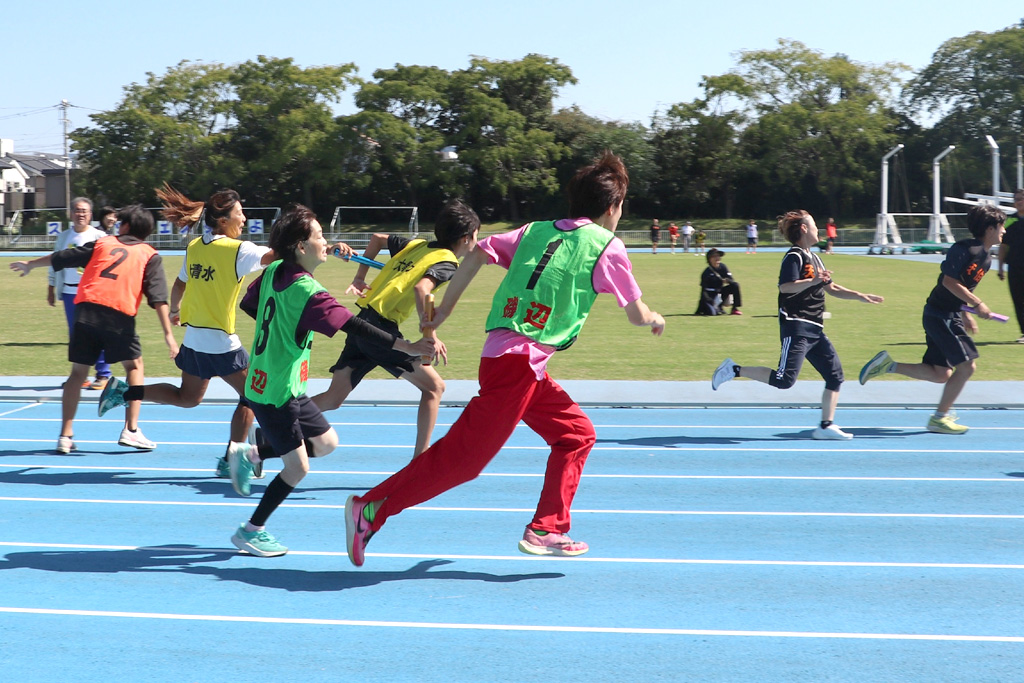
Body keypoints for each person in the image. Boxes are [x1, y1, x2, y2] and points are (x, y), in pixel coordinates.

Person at [343, 151, 666, 567]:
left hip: (514, 362)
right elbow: (637, 315)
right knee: (462, 462)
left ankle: (548, 528)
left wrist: (444, 312)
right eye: (621, 206)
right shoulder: (607, 246)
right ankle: (370, 509)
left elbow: (477, 253)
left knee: (576, 435)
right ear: (612, 207)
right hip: (518, 367)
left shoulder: (534, 230)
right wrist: (655, 318)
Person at [224, 204, 434, 557]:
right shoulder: (309, 294)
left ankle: (251, 452)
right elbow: (358, 327)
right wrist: (407, 345)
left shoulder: (275, 270)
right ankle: (251, 530)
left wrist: (279, 328)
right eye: (320, 236)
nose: (327, 241)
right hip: (276, 390)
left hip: (276, 381)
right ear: (301, 248)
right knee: (297, 468)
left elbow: (250, 303)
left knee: (326, 442)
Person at [97, 185, 276, 478]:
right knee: (255, 396)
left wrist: (177, 310)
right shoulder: (239, 250)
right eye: (239, 214)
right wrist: (309, 238)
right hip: (221, 342)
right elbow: (276, 256)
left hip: (194, 341)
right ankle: (234, 457)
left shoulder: (195, 247)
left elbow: (180, 283)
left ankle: (125, 392)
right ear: (223, 220)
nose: (243, 219)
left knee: (188, 398)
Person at [312, 199, 477, 457]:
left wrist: (360, 276)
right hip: (379, 328)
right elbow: (422, 289)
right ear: (466, 238)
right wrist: (431, 334)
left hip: (362, 323)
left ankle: (273, 425)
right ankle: (419, 462)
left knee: (333, 399)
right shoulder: (448, 262)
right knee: (435, 388)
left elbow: (377, 238)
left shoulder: (416, 244)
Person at [10, 205, 177, 453]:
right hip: (118, 315)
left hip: (85, 311)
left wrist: (31, 264)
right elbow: (159, 299)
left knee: (77, 374)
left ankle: (65, 435)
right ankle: (131, 429)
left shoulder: (104, 243)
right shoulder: (149, 254)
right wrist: (169, 335)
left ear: (126, 227)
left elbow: (63, 257)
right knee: (134, 366)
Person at [711, 210, 883, 440]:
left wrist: (860, 295)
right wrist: (813, 281)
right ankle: (733, 369)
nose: (818, 229)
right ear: (803, 228)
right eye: (814, 224)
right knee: (784, 380)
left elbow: (831, 288)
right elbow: (786, 286)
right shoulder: (794, 256)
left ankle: (825, 426)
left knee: (835, 376)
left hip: (815, 329)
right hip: (797, 327)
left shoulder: (815, 257)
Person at [859, 204, 1006, 434]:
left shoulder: (986, 258)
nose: (1004, 231)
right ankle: (940, 417)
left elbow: (962, 287)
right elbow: (949, 282)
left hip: (948, 314)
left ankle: (888, 365)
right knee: (967, 367)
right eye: (1001, 226)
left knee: (940, 373)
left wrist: (966, 312)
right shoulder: (964, 249)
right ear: (989, 229)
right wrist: (977, 304)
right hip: (940, 315)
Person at [49, 197, 111, 390]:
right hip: (69, 292)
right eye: (77, 210)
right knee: (76, 336)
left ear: (90, 214)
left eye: (84, 211)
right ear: (71, 213)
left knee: (98, 333)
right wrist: (50, 288)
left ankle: (103, 374)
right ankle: (80, 375)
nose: (80, 214)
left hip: (93, 293)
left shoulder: (99, 237)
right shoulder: (63, 237)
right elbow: (54, 263)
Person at [996, 189, 1024, 343]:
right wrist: (1000, 267)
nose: (1019, 201)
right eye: (1016, 199)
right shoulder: (1010, 221)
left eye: (1022, 198)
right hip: (1014, 267)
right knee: (1018, 301)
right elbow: (1003, 246)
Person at [695, 248, 742, 315]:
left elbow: (731, 280)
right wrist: (710, 301)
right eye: (714, 256)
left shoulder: (723, 267)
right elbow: (703, 291)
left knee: (735, 285)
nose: (717, 258)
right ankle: (715, 307)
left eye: (718, 256)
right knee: (712, 313)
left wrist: (727, 280)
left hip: (720, 293)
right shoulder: (706, 272)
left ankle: (734, 309)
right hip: (710, 296)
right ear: (709, 259)